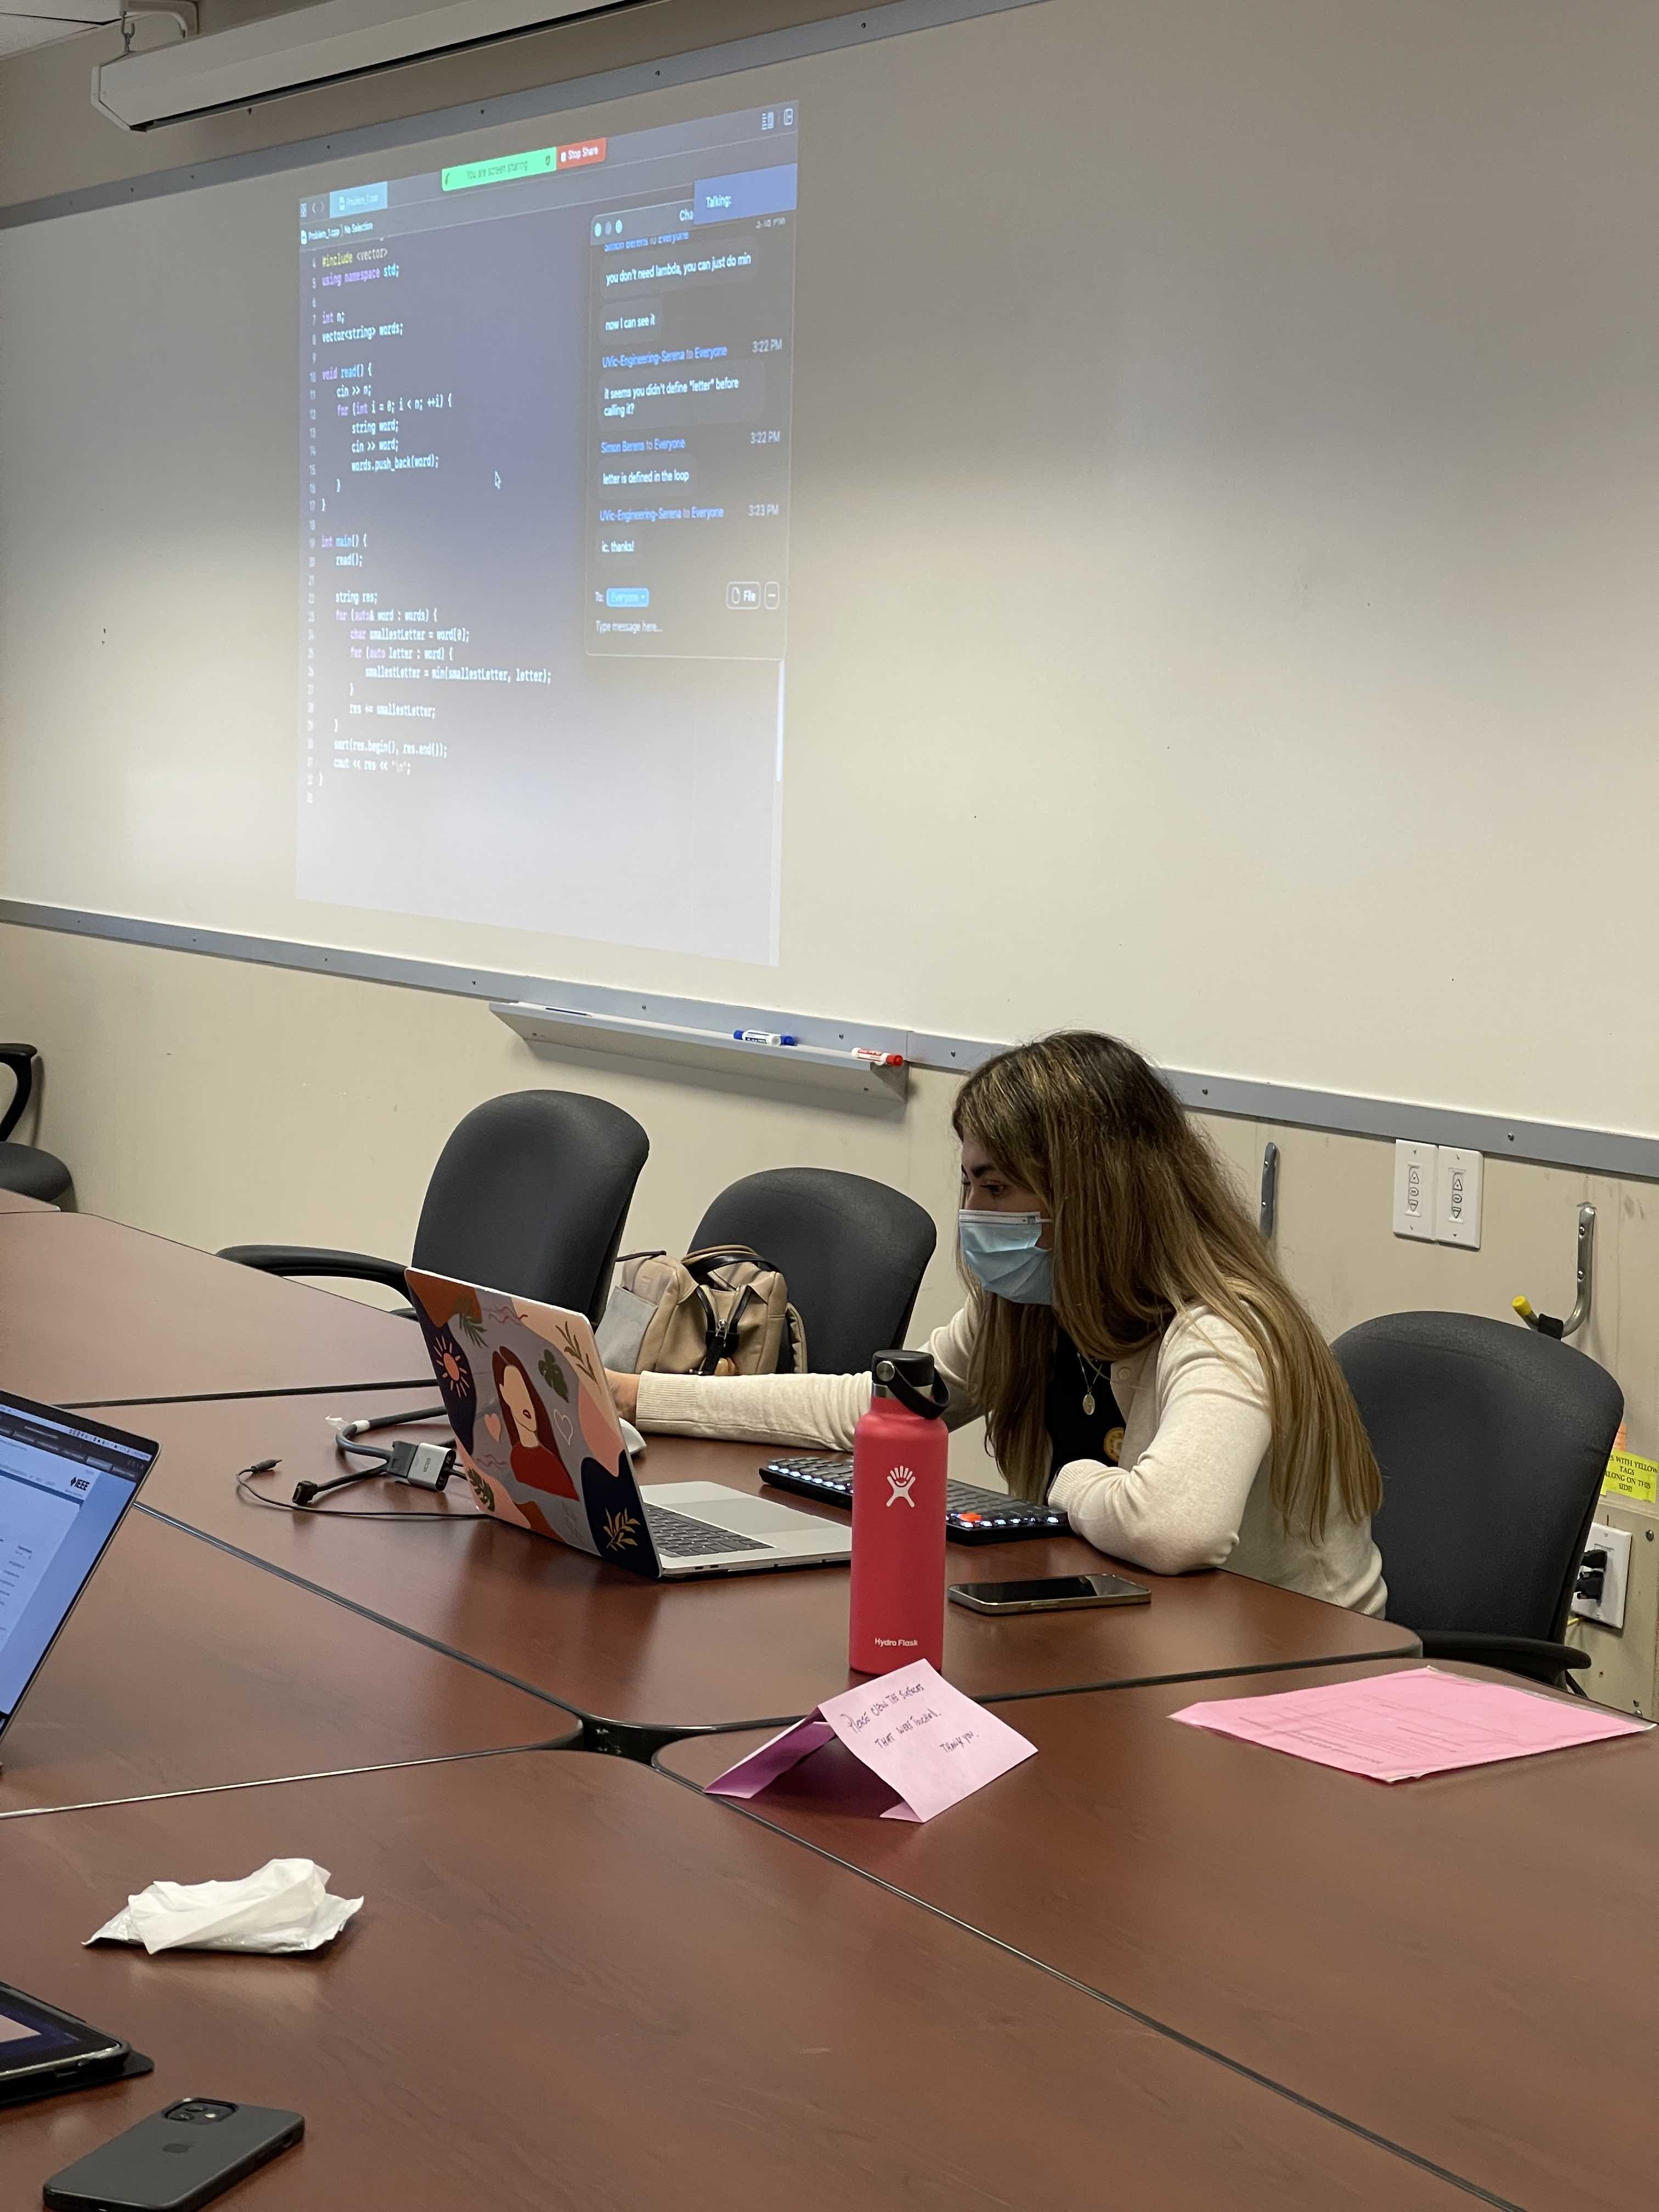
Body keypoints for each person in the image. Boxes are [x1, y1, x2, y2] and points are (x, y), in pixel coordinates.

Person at [610, 1031, 1385, 1613]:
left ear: (1093, 1194)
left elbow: (1175, 1528)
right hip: (1135, 1624)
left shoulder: (1223, 1328)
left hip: (1295, 1667)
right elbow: (874, 1408)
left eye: (996, 1187)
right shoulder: (1031, 1307)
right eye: (968, 1184)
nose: (973, 1213)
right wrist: (636, 1395)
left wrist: (1070, 1482)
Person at [492, 1345, 579, 1500]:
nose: (526, 1400)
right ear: (504, 1392)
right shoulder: (516, 1457)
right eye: (517, 1389)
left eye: (528, 1390)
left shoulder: (550, 1463)